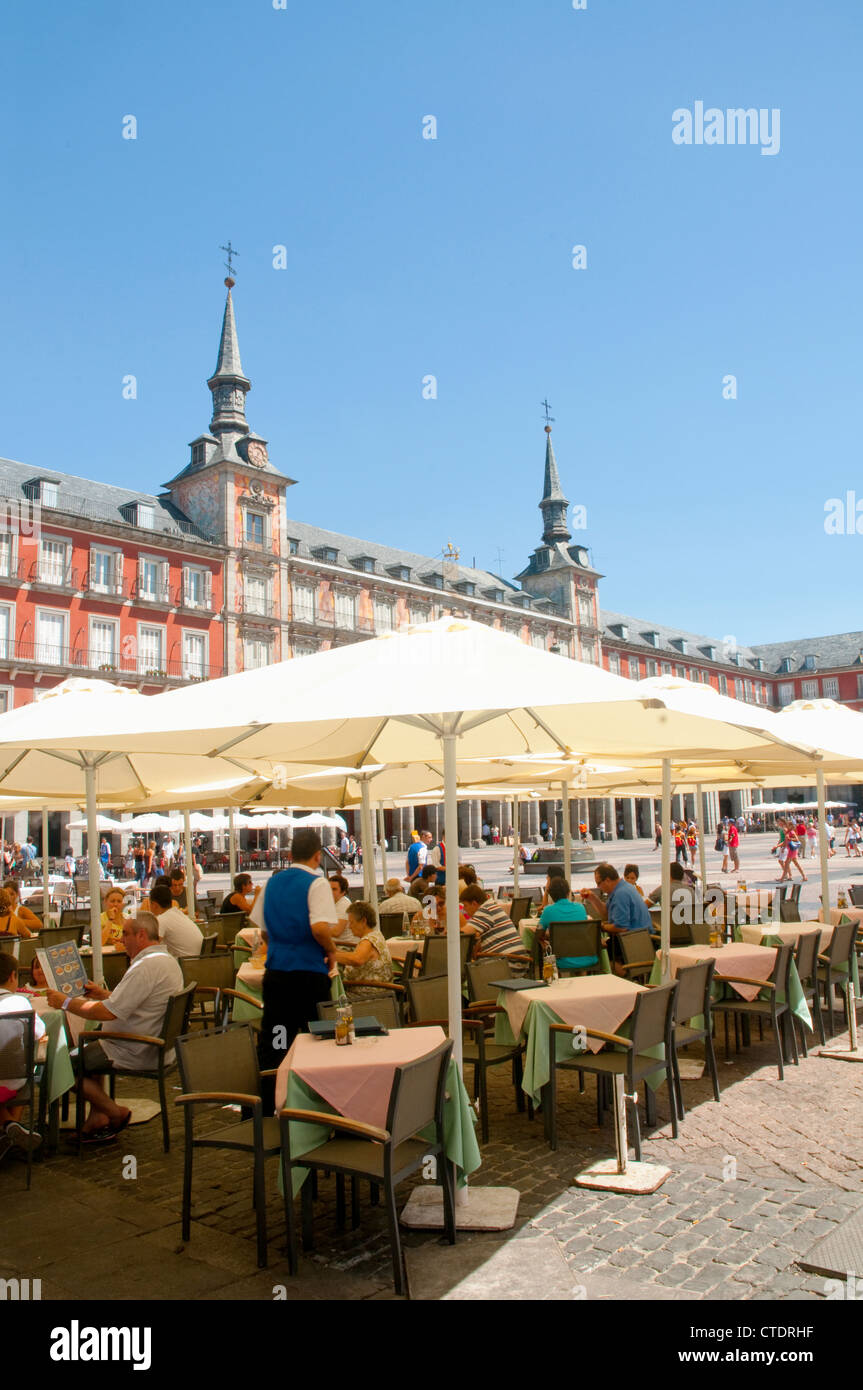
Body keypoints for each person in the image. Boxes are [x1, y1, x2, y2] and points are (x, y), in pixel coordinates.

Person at [45, 912, 182, 1142]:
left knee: (64, 1067)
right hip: (153, 1044)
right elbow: (138, 1002)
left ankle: (113, 1112)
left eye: (125, 934)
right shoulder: (167, 961)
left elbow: (107, 1012)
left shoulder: (145, 967)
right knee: (90, 1050)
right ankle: (97, 1116)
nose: (121, 940)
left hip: (135, 1047)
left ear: (140, 935)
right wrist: (103, 994)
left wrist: (65, 1002)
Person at [249, 828, 339, 1093]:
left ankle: (271, 1094)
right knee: (317, 1034)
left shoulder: (272, 882)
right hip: (309, 974)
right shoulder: (317, 882)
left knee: (276, 1036)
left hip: (277, 973)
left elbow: (263, 931)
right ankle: (317, 1094)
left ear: (289, 855)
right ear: (317, 856)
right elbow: (319, 928)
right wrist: (331, 950)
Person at [0, 952, 46, 1160]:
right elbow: (39, 1033)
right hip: (17, 1079)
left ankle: (7, 1127)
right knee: (28, 1070)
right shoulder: (20, 1002)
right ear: (12, 976)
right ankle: (11, 1129)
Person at [332, 900, 393, 1001]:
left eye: (351, 922)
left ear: (363, 921)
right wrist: (335, 951)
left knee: (328, 996)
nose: (349, 926)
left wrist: (332, 955)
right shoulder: (375, 934)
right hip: (378, 990)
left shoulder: (368, 941)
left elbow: (357, 959)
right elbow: (356, 956)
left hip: (368, 995)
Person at [580, 863, 651, 948]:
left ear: (607, 880)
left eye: (599, 883)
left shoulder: (620, 894)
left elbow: (620, 928)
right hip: (639, 938)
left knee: (591, 947)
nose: (598, 886)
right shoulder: (622, 888)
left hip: (635, 943)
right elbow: (606, 913)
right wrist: (592, 898)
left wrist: (601, 927)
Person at [459, 885, 529, 972]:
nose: (464, 910)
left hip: (509, 964)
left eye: (465, 906)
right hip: (513, 960)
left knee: (466, 971)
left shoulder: (485, 910)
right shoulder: (491, 906)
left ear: (474, 903)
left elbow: (463, 933)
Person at [148, 883, 204, 957]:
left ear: (154, 905)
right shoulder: (178, 913)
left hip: (186, 963)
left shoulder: (162, 919)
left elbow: (152, 946)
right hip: (199, 960)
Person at [328, 874, 358, 944]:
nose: (330, 892)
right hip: (334, 944)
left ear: (343, 892)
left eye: (334, 889)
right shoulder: (328, 903)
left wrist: (316, 929)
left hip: (346, 946)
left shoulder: (344, 904)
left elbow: (337, 932)